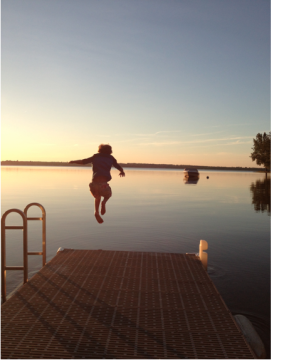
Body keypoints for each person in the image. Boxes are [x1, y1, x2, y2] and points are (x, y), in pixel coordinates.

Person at [69, 144, 125, 224]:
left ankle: (96, 212)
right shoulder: (111, 158)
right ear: (110, 151)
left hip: (94, 184)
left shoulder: (96, 157)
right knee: (108, 194)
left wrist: (73, 161)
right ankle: (104, 202)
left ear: (100, 150)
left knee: (97, 197)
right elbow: (117, 166)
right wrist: (122, 171)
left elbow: (83, 161)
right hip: (104, 185)